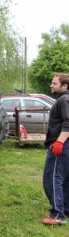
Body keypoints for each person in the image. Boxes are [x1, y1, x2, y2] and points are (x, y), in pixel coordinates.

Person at [41, 72, 69, 225]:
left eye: (54, 83)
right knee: (64, 178)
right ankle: (65, 208)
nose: (51, 85)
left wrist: (59, 142)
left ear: (64, 86)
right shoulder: (64, 99)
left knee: (53, 178)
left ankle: (58, 215)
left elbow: (68, 122)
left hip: (61, 145)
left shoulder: (64, 99)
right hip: (65, 145)